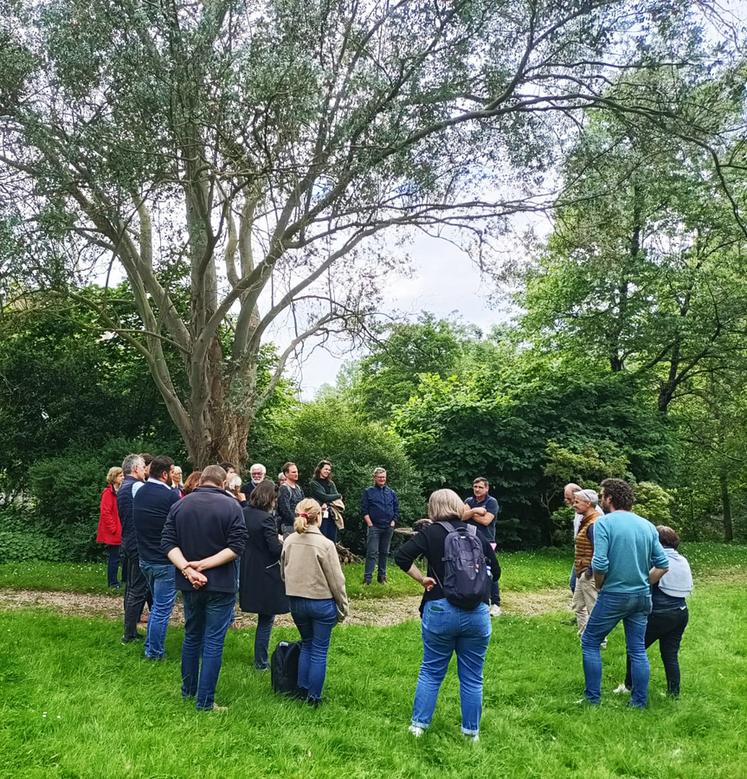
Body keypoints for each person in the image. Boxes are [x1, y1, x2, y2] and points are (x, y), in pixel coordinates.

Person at [394, 489, 500, 741]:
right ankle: (471, 733)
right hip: (476, 612)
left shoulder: (430, 532)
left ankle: (418, 727)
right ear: (457, 505)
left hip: (440, 608)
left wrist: (422, 578)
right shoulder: (476, 532)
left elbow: (401, 556)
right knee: (473, 676)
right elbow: (495, 572)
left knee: (431, 670)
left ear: (433, 508)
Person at [162, 465, 247, 711]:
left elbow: (167, 542)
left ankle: (188, 691)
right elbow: (237, 546)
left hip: (190, 584)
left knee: (191, 636)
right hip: (220, 584)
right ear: (222, 484)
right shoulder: (232, 506)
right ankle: (205, 702)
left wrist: (188, 570)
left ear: (201, 481)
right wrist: (203, 566)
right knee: (212, 642)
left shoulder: (180, 504)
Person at [581, 478, 669, 708]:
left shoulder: (604, 523)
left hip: (614, 594)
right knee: (637, 649)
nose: (601, 499)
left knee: (590, 641)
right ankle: (638, 702)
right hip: (641, 597)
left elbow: (599, 563)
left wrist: (599, 584)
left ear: (609, 498)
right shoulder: (647, 525)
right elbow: (663, 564)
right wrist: (644, 583)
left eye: (602, 495)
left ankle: (592, 699)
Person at [280, 498, 348, 706]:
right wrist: (343, 607)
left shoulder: (289, 541)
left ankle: (301, 689)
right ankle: (314, 697)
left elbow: (283, 572)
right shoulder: (325, 544)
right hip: (321, 602)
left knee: (307, 644)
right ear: (318, 517)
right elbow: (336, 580)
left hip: (296, 601)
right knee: (319, 649)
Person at [615, 525, 693, 698]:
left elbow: (644, 581)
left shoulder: (657, 559)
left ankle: (629, 686)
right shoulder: (682, 560)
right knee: (670, 654)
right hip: (681, 612)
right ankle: (673, 693)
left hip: (659, 613)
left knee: (635, 649)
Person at [133, 454, 180, 660]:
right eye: (171, 472)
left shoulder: (140, 491)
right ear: (164, 474)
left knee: (157, 608)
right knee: (161, 609)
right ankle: (154, 653)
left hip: (145, 558)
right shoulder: (170, 496)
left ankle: (150, 644)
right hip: (164, 560)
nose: (173, 476)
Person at [239, 480, 289, 669]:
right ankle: (261, 661)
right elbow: (274, 549)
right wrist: (283, 541)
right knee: (266, 618)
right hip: (266, 570)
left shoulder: (244, 513)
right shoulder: (265, 519)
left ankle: (260, 659)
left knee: (263, 616)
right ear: (270, 498)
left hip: (248, 566)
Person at [118, 453, 149, 643]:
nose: (146, 469)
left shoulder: (124, 487)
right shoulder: (137, 486)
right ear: (136, 468)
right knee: (137, 589)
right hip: (138, 543)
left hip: (127, 541)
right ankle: (129, 634)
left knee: (131, 587)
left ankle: (129, 631)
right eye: (144, 465)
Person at [463, 477, 502, 616]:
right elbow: (462, 516)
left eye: (480, 487)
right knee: (470, 569)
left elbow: (486, 521)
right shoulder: (469, 500)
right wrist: (476, 511)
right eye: (475, 487)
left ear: (486, 488)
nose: (477, 489)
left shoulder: (491, 502)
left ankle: (496, 603)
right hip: (469, 539)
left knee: (489, 570)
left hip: (487, 540)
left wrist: (470, 513)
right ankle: (476, 599)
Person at [571, 489, 602, 635]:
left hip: (588, 574)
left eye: (577, 502)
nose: (574, 505)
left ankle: (599, 639)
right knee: (578, 606)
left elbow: (600, 550)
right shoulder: (586, 521)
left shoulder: (594, 524)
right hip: (581, 571)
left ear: (588, 503)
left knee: (593, 607)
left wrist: (589, 572)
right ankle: (584, 635)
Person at [361, 467, 399, 584]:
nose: (382, 479)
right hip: (375, 527)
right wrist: (370, 525)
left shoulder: (391, 493)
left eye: (384, 477)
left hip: (388, 527)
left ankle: (382, 577)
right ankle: (367, 579)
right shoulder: (369, 492)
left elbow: (396, 509)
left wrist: (393, 522)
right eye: (380, 477)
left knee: (384, 552)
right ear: (375, 478)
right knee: (372, 553)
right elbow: (364, 510)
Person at [96, 466, 124, 588]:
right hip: (114, 531)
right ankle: (112, 582)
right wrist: (113, 528)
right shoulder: (108, 493)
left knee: (124, 556)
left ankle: (124, 580)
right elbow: (105, 512)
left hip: (121, 528)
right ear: (114, 477)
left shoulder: (122, 491)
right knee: (114, 557)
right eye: (120, 475)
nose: (123, 477)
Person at [309, 460, 343, 543]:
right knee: (321, 537)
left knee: (332, 539)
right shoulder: (314, 483)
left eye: (329, 470)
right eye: (325, 469)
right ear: (320, 469)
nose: (327, 471)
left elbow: (334, 498)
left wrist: (328, 501)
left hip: (332, 514)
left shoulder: (331, 483)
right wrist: (338, 495)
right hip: (319, 514)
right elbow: (324, 497)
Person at [277, 462, 304, 536]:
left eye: (297, 471)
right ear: (286, 474)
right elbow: (285, 510)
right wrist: (296, 521)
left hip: (300, 524)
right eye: (293, 472)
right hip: (288, 526)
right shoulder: (284, 489)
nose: (296, 474)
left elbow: (303, 505)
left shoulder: (298, 488)